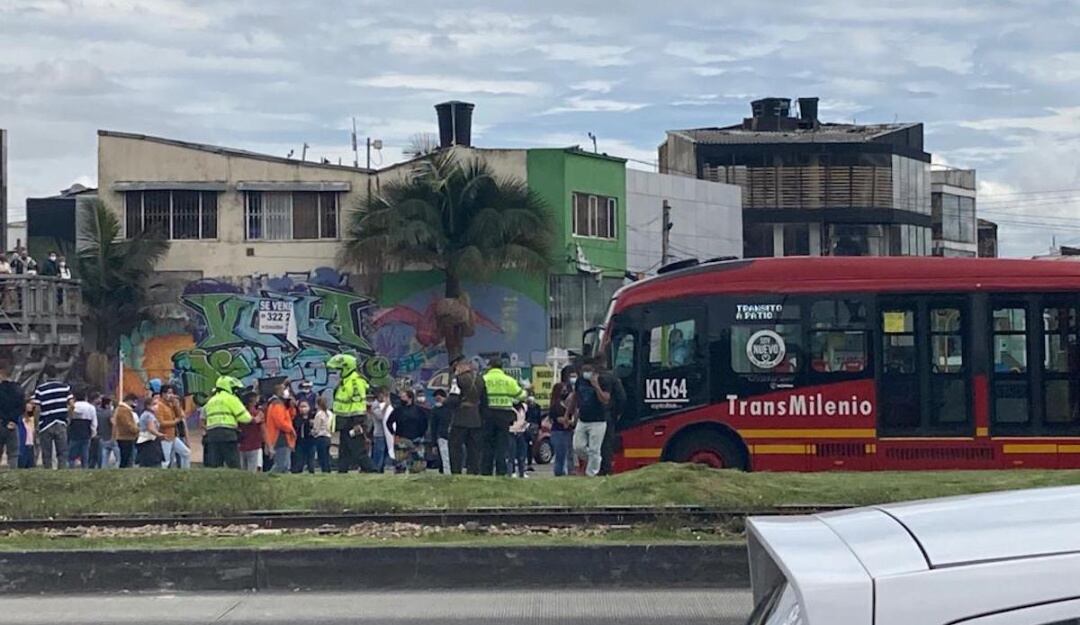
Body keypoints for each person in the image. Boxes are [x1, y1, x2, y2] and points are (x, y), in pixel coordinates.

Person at [327, 354, 375, 473]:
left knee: (358, 451)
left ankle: (372, 470)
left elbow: (358, 405)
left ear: (346, 368)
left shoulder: (354, 382)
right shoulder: (345, 381)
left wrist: (357, 423)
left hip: (353, 422)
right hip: (344, 422)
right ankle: (342, 472)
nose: (337, 372)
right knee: (344, 450)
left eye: (339, 369)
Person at [481, 357, 525, 476]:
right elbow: (521, 395)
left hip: (488, 415)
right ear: (502, 367)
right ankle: (501, 472)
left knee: (487, 445)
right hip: (504, 416)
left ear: (489, 366)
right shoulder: (508, 380)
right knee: (502, 446)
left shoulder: (483, 379)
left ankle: (486, 471)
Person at [568, 361, 612, 477]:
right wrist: (568, 414)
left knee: (594, 448)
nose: (585, 373)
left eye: (588, 370)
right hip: (583, 419)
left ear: (594, 371)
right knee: (578, 447)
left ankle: (591, 474)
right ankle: (596, 460)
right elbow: (575, 398)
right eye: (584, 370)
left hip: (598, 421)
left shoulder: (603, 381)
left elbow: (605, 399)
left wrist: (596, 385)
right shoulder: (580, 381)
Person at [447, 357, 486, 474]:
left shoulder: (457, 379)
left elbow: (454, 399)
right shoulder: (480, 380)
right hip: (476, 419)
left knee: (455, 447)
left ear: (460, 366)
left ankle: (456, 471)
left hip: (461, 418)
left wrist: (447, 403)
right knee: (474, 449)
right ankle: (473, 472)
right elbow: (484, 401)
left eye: (456, 367)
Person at [202, 376, 251, 469]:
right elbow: (245, 418)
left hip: (212, 435)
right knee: (234, 465)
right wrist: (254, 419)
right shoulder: (231, 398)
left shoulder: (211, 401)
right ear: (229, 387)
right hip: (227, 434)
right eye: (235, 389)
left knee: (215, 465)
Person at [33, 364, 72, 470]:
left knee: (47, 453)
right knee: (62, 452)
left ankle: (48, 472)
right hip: (60, 421)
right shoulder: (65, 387)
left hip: (45, 423)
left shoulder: (40, 389)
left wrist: (36, 425)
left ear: (45, 375)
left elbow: (37, 408)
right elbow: (72, 404)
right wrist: (68, 417)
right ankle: (62, 471)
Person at [387, 388, 427, 474]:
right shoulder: (398, 411)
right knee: (400, 466)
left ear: (410, 398)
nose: (401, 399)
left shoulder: (419, 411)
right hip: (401, 439)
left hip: (416, 439)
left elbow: (424, 423)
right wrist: (394, 434)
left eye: (403, 397)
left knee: (417, 466)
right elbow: (389, 422)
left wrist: (421, 435)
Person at [548, 366, 576, 477]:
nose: (565, 392)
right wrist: (569, 421)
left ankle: (569, 471)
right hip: (559, 432)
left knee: (568, 454)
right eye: (563, 390)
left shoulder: (566, 404)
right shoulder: (555, 406)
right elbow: (560, 420)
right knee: (560, 455)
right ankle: (559, 474)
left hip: (567, 432)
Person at [265, 383, 297, 474]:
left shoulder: (282, 404)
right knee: (281, 465)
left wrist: (292, 407)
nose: (286, 391)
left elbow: (290, 417)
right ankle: (267, 478)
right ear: (279, 391)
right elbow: (280, 423)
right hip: (279, 438)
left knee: (286, 466)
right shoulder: (277, 404)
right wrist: (291, 429)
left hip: (284, 437)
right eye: (284, 389)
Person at [158, 385, 191, 469]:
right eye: (169, 393)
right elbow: (161, 423)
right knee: (166, 461)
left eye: (172, 393)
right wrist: (174, 422)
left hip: (173, 436)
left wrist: (176, 405)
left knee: (186, 453)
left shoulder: (170, 405)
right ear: (163, 394)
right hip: (165, 436)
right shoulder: (159, 406)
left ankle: (185, 473)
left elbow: (180, 416)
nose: (171, 395)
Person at [0, 356, 24, 469]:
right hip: (12, 425)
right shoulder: (17, 389)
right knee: (13, 454)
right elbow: (21, 407)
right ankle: (13, 479)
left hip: (0, 423)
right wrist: (13, 420)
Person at [68, 387, 97, 469]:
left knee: (71, 454)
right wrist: (93, 432)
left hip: (74, 431)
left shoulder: (73, 407)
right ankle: (85, 468)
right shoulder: (90, 407)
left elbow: (69, 420)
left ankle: (71, 468)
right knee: (85, 453)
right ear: (85, 397)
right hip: (86, 431)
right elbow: (94, 422)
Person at [238, 393, 265, 473]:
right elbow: (263, 430)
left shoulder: (240, 414)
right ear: (253, 402)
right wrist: (268, 444)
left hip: (241, 445)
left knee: (242, 471)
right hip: (255, 445)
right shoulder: (258, 414)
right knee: (254, 471)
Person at [136, 398, 164, 468]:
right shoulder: (148, 415)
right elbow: (150, 428)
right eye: (154, 404)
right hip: (149, 441)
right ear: (148, 406)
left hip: (147, 440)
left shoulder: (148, 414)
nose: (156, 406)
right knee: (152, 463)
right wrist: (160, 435)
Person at [113, 394, 140, 468]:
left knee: (126, 457)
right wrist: (136, 430)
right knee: (125, 457)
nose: (134, 404)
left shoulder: (122, 409)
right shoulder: (124, 410)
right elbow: (128, 424)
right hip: (125, 436)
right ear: (129, 401)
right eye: (134, 401)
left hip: (125, 436)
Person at [430, 389, 452, 475]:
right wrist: (434, 444)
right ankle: (445, 473)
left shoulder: (449, 409)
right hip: (442, 436)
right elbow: (433, 428)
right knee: (444, 458)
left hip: (449, 435)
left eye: (439, 399)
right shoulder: (435, 410)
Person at [292, 399, 316, 474]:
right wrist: (303, 419)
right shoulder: (297, 417)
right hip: (300, 442)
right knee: (299, 461)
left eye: (305, 406)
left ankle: (311, 472)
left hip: (311, 442)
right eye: (301, 407)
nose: (303, 409)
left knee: (311, 461)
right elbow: (296, 425)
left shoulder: (313, 417)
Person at [312, 397, 334, 473]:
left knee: (322, 456)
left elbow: (316, 428)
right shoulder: (330, 413)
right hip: (328, 436)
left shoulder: (319, 414)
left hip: (321, 437)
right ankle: (328, 470)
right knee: (327, 455)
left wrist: (312, 433)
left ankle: (324, 470)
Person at [96, 395, 119, 469]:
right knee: (118, 457)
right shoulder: (109, 413)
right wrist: (114, 436)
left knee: (104, 458)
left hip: (102, 438)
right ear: (107, 405)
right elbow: (114, 424)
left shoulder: (97, 413)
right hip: (111, 437)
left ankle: (103, 469)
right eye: (110, 404)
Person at [509, 401, 529, 478]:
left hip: (521, 432)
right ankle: (512, 472)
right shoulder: (510, 408)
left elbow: (527, 418)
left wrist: (525, 425)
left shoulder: (524, 407)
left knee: (522, 454)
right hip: (511, 432)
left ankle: (522, 472)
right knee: (511, 453)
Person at [524, 395, 542, 472]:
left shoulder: (537, 407)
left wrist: (539, 428)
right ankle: (526, 463)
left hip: (534, 427)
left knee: (531, 446)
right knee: (526, 446)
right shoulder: (526, 408)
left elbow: (539, 418)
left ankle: (529, 463)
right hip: (526, 426)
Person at [18, 400, 36, 468]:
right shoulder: (20, 418)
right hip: (23, 445)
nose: (31, 405)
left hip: (31, 445)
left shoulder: (34, 418)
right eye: (30, 403)